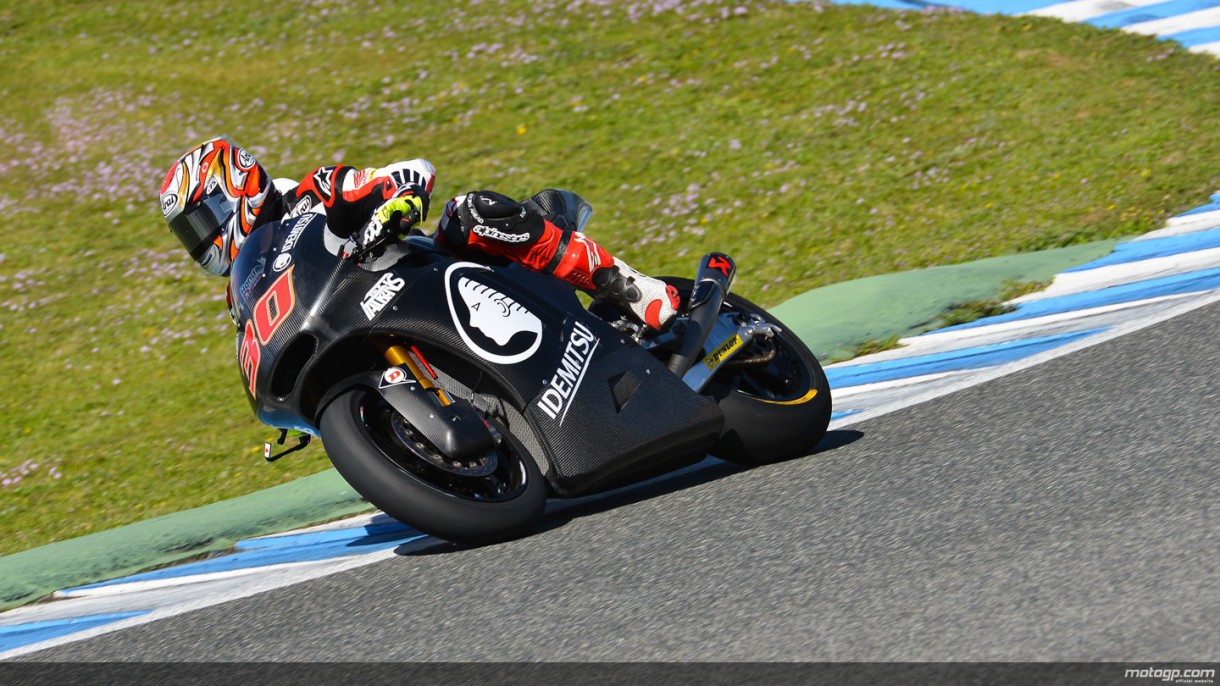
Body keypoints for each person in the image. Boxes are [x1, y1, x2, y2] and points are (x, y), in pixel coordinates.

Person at [159, 137, 679, 330]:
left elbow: (411, 171)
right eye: (190, 233)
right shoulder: (242, 293)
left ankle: (633, 289)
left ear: (234, 186)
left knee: (468, 213)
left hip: (433, 278)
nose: (201, 241)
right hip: (365, 329)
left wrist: (400, 201)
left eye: (201, 222)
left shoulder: (316, 192)